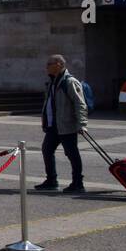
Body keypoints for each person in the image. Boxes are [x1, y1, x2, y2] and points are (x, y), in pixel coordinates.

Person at [37, 54, 87, 193]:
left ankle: (78, 183)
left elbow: (80, 104)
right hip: (54, 126)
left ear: (59, 64)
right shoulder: (53, 81)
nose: (46, 67)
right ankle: (51, 180)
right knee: (47, 150)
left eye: (49, 64)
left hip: (66, 125)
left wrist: (82, 124)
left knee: (72, 154)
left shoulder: (69, 82)